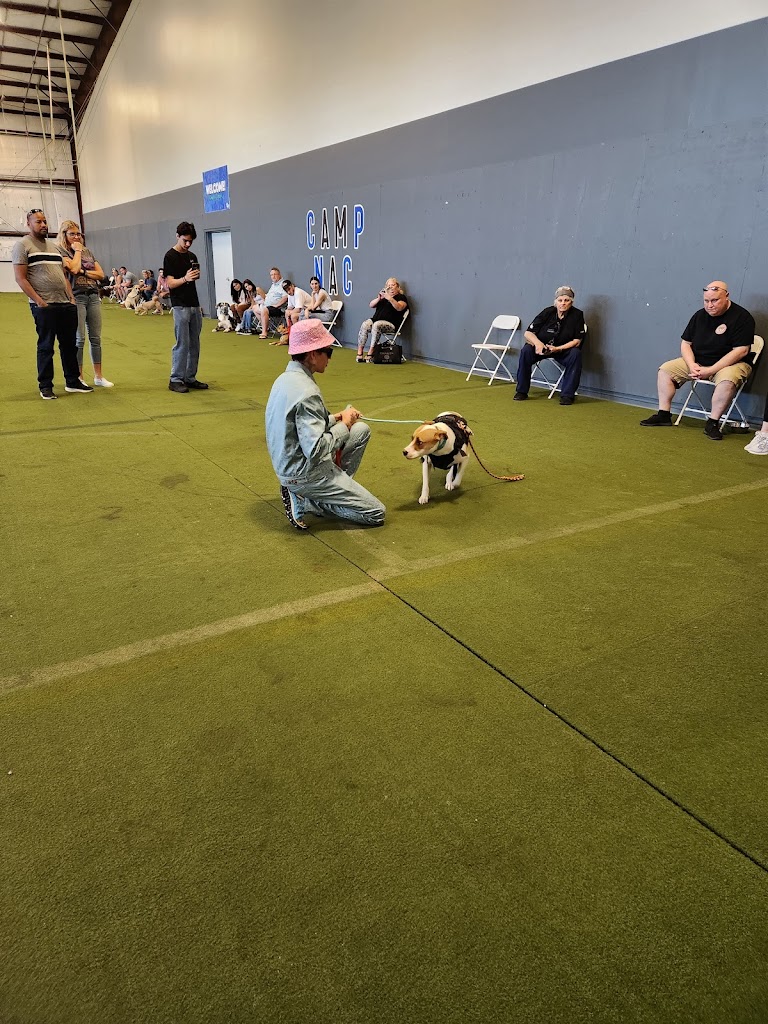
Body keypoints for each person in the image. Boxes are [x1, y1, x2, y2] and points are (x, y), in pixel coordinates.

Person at [265, 318, 386, 531]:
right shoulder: (307, 392)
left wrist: (337, 417)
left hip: (289, 463)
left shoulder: (284, 379)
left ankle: (318, 493)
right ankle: (309, 499)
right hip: (303, 472)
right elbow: (315, 449)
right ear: (313, 354)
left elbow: (299, 428)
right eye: (328, 352)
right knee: (376, 513)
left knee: (361, 430)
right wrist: (344, 425)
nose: (330, 358)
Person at [640, 281, 755, 441]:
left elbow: (741, 350)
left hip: (731, 365)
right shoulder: (699, 316)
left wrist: (711, 370)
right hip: (699, 362)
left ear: (727, 296)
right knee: (665, 370)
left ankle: (712, 423)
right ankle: (664, 414)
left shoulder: (742, 317)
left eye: (715, 300)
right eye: (706, 301)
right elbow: (686, 343)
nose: (710, 305)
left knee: (727, 380)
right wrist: (691, 364)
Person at [12, 209, 93, 399]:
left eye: (45, 221)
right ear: (28, 224)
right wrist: (39, 301)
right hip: (44, 306)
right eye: (38, 222)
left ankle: (72, 381)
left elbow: (63, 275)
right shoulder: (22, 245)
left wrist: (71, 298)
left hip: (65, 304)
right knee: (46, 346)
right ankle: (46, 386)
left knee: (69, 345)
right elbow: (20, 278)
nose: (43, 225)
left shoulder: (54, 247)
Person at [56, 219, 113, 387]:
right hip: (76, 297)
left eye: (78, 234)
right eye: (72, 234)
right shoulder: (61, 251)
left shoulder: (87, 251)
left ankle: (98, 376)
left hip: (93, 295)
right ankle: (79, 377)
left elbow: (101, 274)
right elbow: (72, 269)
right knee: (79, 339)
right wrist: (78, 252)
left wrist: (83, 271)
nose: (76, 237)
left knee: (95, 338)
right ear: (64, 235)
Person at [514, 286, 586, 406]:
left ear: (571, 302)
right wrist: (538, 344)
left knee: (576, 354)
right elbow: (528, 333)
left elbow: (577, 341)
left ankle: (567, 395)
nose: (563, 303)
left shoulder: (577, 315)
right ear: (555, 301)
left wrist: (558, 348)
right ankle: (521, 391)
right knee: (526, 350)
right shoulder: (547, 312)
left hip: (562, 350)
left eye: (566, 300)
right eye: (560, 300)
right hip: (542, 348)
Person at [163, 221, 207, 393]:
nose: (188, 244)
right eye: (185, 240)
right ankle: (175, 379)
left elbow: (192, 279)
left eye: (190, 241)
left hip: (194, 303)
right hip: (180, 305)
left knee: (195, 343)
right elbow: (170, 283)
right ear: (177, 236)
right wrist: (185, 279)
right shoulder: (170, 256)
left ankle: (190, 377)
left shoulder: (192, 256)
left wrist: (193, 276)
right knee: (182, 343)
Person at [357, 277, 408, 362]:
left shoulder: (401, 297)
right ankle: (360, 353)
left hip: (391, 324)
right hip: (376, 320)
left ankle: (371, 353)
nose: (391, 287)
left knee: (377, 325)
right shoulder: (383, 298)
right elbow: (371, 305)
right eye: (389, 285)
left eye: (393, 285)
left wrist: (390, 298)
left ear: (398, 287)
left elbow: (399, 307)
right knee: (365, 324)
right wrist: (379, 299)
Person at [258, 267, 288, 338]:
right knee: (254, 308)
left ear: (279, 275)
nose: (273, 276)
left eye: (275, 274)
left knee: (264, 310)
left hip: (278, 308)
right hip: (268, 306)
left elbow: (286, 297)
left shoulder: (283, 284)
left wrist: (277, 305)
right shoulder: (273, 285)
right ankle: (266, 326)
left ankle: (264, 332)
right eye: (271, 275)